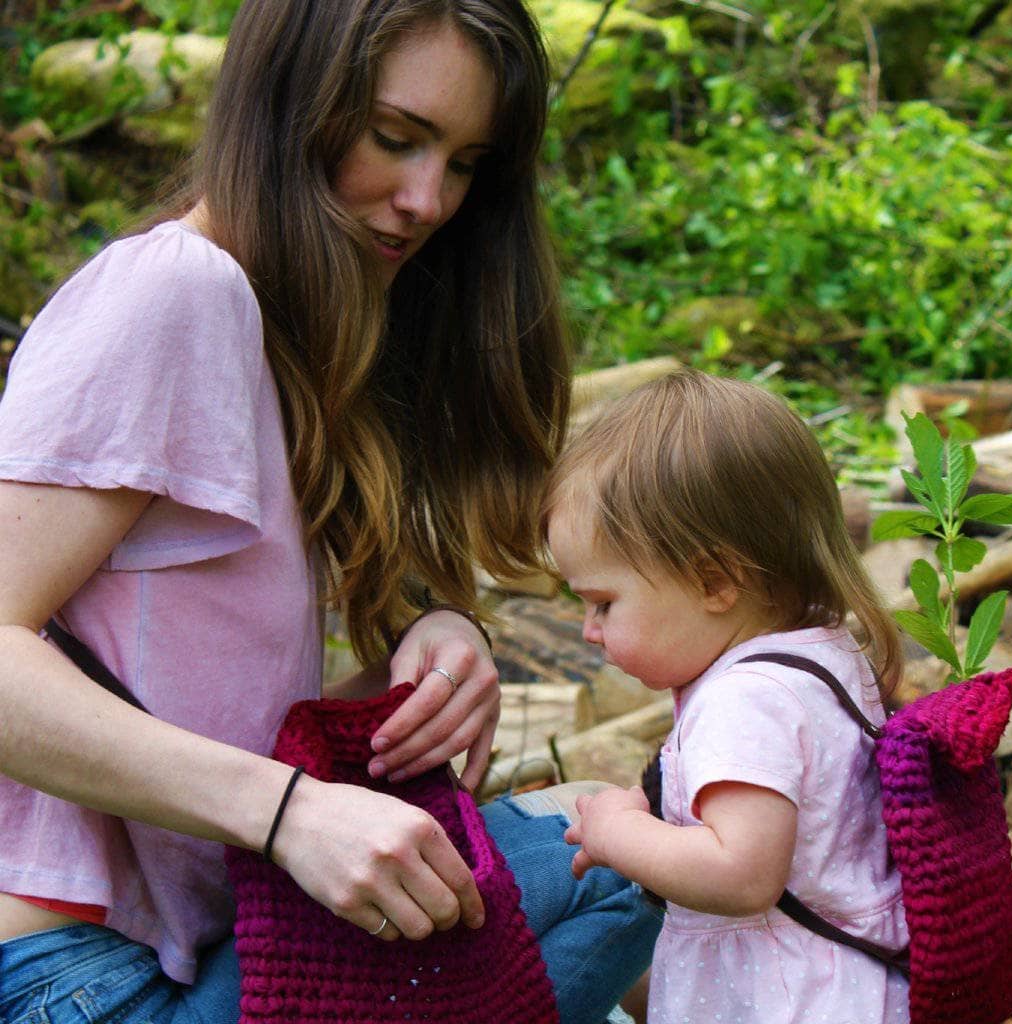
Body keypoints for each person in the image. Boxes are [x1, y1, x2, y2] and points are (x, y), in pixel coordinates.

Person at [0, 1, 659, 1021]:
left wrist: (423, 655)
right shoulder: (173, 289)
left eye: (465, 162)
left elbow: (192, 692)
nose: (427, 199)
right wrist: (290, 812)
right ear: (288, 101)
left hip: (187, 948)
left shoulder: (292, 335)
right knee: (612, 847)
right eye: (395, 139)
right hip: (70, 980)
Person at [542, 368, 911, 1024]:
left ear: (714, 582)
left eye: (602, 603)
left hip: (791, 1003)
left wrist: (618, 831)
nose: (588, 631)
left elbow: (740, 873)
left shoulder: (747, 699)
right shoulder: (819, 652)